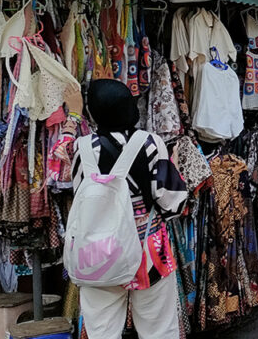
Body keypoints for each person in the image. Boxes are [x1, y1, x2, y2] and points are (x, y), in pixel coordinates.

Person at [72, 79, 187, 339]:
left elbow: (80, 199)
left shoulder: (82, 149)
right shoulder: (150, 144)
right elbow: (173, 203)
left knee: (101, 331)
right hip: (148, 251)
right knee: (159, 330)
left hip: (97, 252)